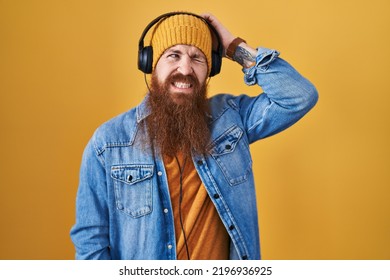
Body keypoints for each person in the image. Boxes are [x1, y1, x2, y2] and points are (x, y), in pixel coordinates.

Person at [70, 11, 318, 260]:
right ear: (150, 63)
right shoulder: (108, 143)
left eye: (197, 58)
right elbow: (91, 245)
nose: (185, 69)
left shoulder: (232, 119)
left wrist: (234, 47)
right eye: (173, 55)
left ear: (211, 68)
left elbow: (299, 96)